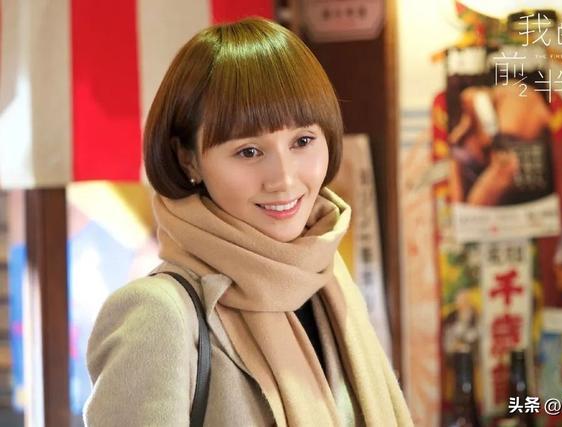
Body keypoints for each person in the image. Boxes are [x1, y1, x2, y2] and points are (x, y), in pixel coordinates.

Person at [83, 17, 413, 426]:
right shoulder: (158, 314)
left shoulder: (328, 281)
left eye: (303, 141)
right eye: (249, 152)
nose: (284, 179)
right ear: (189, 159)